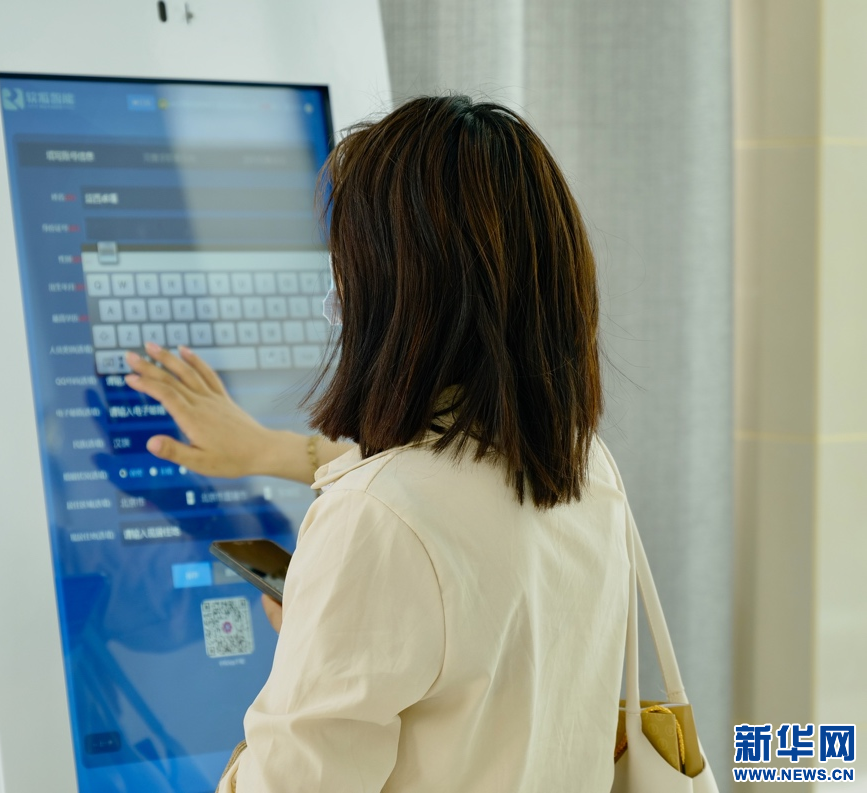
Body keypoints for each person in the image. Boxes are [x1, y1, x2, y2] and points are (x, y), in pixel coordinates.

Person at [123, 95, 631, 793]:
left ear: (398, 290)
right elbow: (449, 500)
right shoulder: (581, 463)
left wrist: (317, 643)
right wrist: (269, 451)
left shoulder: (376, 520)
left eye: (345, 260)